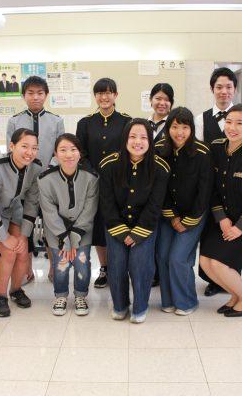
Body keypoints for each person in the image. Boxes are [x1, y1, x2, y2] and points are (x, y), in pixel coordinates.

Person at [199, 104, 242, 317]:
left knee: (219, 264)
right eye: (228, 122)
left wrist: (240, 227)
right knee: (205, 262)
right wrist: (221, 218)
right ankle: (235, 295)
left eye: (239, 123)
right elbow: (212, 187)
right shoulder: (216, 148)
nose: (232, 127)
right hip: (222, 218)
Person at [99, 118, 169, 323]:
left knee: (140, 265)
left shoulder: (160, 167)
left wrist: (137, 232)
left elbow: (155, 205)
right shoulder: (109, 164)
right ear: (125, 139)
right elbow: (106, 202)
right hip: (116, 224)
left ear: (150, 141)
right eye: (132, 136)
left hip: (145, 225)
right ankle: (120, 305)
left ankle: (140, 307)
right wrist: (121, 231)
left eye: (143, 137)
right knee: (117, 264)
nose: (138, 142)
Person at [195, 67, 242, 297]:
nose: (224, 91)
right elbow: (199, 154)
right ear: (212, 89)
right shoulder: (201, 119)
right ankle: (212, 279)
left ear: (235, 89)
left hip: (237, 188)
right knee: (210, 234)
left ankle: (230, 278)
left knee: (232, 237)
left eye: (229, 87)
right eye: (219, 87)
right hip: (211, 188)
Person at [0, 128, 42, 317]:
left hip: (13, 210)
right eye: (25, 146)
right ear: (12, 146)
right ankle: (0, 296)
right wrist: (3, 237)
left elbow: (31, 202)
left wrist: (24, 235)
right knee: (9, 252)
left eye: (34, 148)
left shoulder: (36, 168)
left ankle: (16, 290)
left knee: (22, 250)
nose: (30, 152)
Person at [6, 75, 64, 283]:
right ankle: (26, 269)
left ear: (46, 95)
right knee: (24, 226)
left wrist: (49, 171)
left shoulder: (56, 121)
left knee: (51, 226)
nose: (35, 97)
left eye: (40, 93)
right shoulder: (14, 121)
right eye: (30, 93)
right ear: (24, 96)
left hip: (50, 184)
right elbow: (11, 153)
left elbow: (60, 151)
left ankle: (54, 268)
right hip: (23, 184)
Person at [156, 107, 213, 315]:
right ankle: (168, 300)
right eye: (175, 127)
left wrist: (188, 220)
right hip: (168, 214)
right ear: (168, 128)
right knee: (163, 256)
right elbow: (158, 186)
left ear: (192, 129)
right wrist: (172, 216)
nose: (179, 132)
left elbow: (204, 191)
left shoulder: (202, 152)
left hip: (194, 215)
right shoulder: (159, 149)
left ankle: (187, 301)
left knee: (178, 258)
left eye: (185, 127)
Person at [76, 78, 131, 288]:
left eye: (108, 93)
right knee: (100, 227)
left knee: (121, 223)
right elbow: (81, 154)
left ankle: (122, 268)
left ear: (116, 95)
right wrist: (93, 174)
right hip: (95, 184)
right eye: (100, 93)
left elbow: (130, 151)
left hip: (121, 184)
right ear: (95, 96)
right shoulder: (85, 123)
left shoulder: (126, 121)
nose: (104, 97)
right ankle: (105, 268)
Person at [38, 134, 99, 316]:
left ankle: (81, 295)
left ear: (80, 153)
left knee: (82, 262)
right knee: (61, 263)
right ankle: (61, 295)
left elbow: (90, 208)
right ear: (55, 154)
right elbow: (48, 211)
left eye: (73, 149)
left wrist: (76, 234)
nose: (69, 154)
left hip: (83, 229)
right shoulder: (45, 179)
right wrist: (64, 237)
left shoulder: (91, 178)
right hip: (56, 231)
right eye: (63, 150)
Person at [147, 83, 175, 287]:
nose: (162, 102)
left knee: (164, 238)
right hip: (145, 189)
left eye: (166, 99)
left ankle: (162, 273)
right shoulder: (142, 125)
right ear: (151, 100)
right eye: (158, 98)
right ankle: (151, 272)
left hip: (168, 189)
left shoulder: (175, 126)